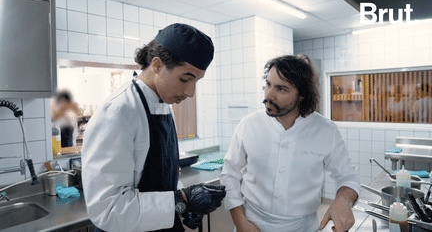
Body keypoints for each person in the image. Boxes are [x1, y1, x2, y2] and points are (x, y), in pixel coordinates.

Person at [81, 23, 226, 232]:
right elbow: (107, 209)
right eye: (185, 79)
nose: (191, 92)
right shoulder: (118, 111)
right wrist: (180, 201)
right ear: (157, 65)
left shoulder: (163, 105)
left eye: (196, 81)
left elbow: (164, 177)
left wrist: (181, 206)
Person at [220, 54, 361, 232]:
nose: (269, 95)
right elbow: (229, 174)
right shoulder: (248, 124)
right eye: (268, 84)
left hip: (301, 227)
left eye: (281, 89)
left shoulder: (325, 130)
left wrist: (343, 200)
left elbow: (348, 175)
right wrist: (241, 222)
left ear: (301, 95)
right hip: (250, 223)